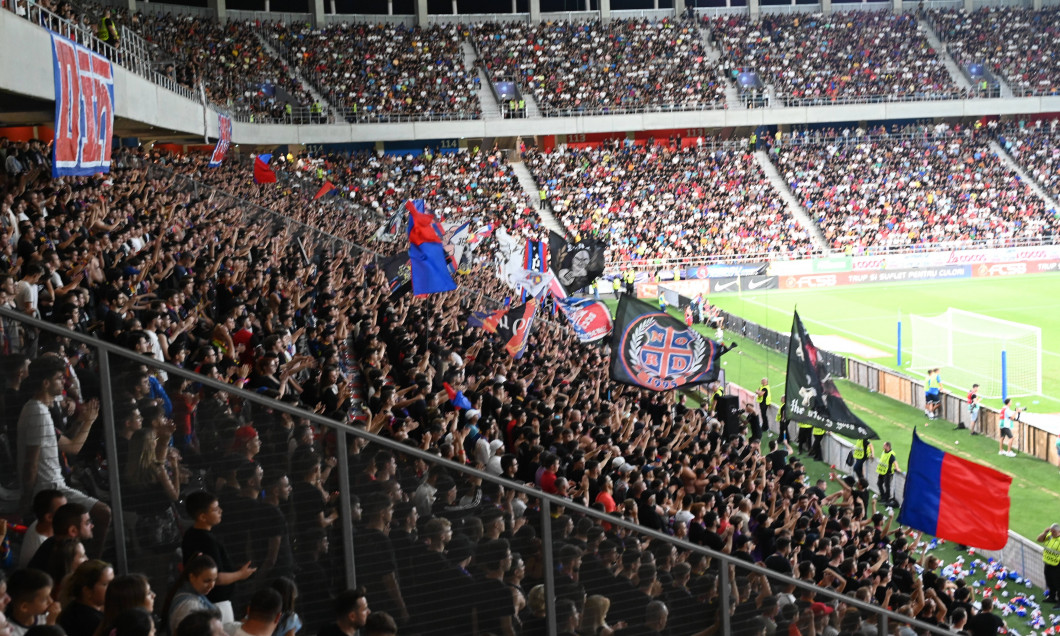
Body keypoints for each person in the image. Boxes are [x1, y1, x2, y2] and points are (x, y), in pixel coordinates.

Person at [17, 356, 110, 558]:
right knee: (103, 513)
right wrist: (26, 499)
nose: (64, 383)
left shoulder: (39, 410)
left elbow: (69, 444)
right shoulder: (37, 413)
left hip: (54, 486)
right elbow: (32, 461)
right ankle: (93, 565)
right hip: (49, 489)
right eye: (60, 378)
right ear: (46, 383)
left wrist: (84, 422)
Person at [1038, 524, 1060, 606]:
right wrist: (1044, 533)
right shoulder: (1049, 535)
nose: (1052, 532)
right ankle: (1052, 597)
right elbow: (1039, 539)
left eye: (1054, 531)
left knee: (1058, 584)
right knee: (1049, 582)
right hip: (1047, 563)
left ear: (1058, 531)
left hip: (1057, 565)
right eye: (1051, 530)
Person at [876, 442, 902, 506]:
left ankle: (886, 499)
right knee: (879, 483)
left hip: (888, 473)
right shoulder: (884, 452)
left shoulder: (891, 454)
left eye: (884, 445)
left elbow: (895, 462)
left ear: (887, 446)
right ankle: (883, 496)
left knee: (887, 486)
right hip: (882, 471)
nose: (883, 446)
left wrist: (897, 468)